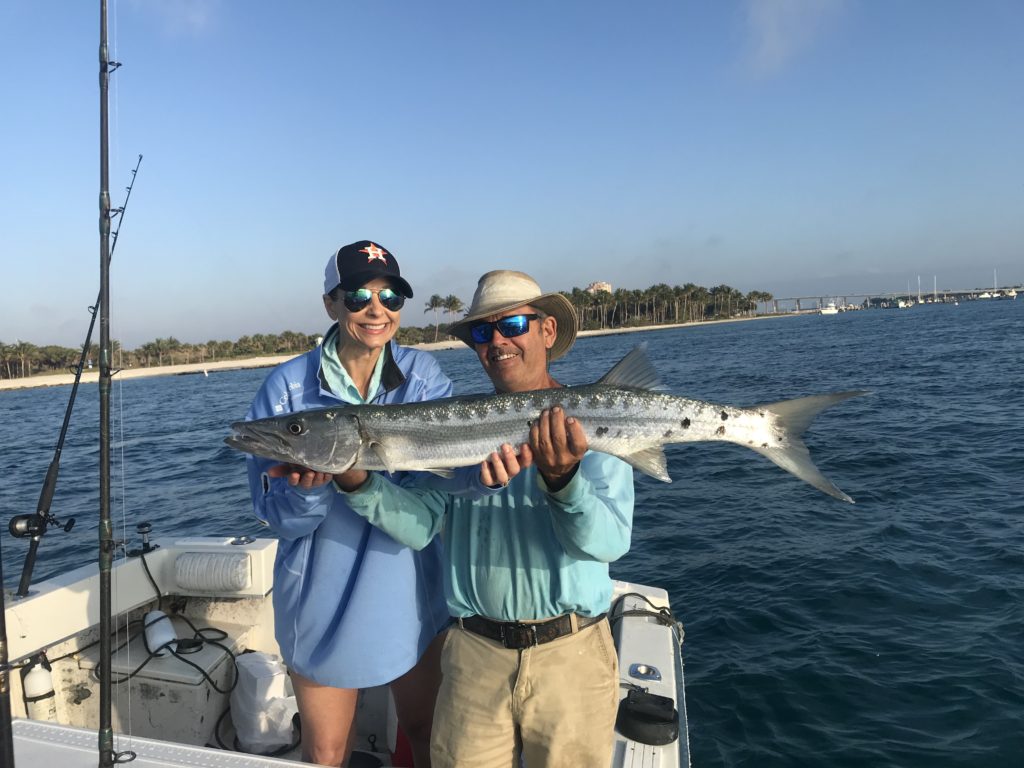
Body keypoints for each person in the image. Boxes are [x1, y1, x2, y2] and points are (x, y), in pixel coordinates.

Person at [334, 269, 635, 767]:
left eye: (513, 323)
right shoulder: (452, 428)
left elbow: (607, 543)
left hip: (572, 657)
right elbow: (422, 523)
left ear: (547, 331)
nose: (497, 341)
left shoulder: (592, 421)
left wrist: (563, 481)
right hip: (473, 656)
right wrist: (358, 484)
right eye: (482, 332)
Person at [240, 240, 451, 767]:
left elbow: (439, 494)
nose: (375, 310)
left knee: (426, 731)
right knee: (328, 750)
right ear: (331, 304)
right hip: (320, 596)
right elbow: (274, 515)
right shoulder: (287, 388)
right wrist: (308, 493)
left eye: (390, 296)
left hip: (411, 586)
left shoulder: (423, 378)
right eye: (357, 296)